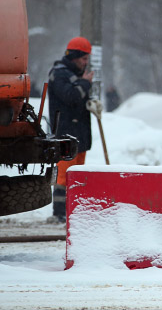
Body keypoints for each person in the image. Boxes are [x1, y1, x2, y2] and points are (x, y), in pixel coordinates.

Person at [48, 37, 95, 222]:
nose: (86, 63)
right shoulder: (59, 74)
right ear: (74, 57)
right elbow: (71, 97)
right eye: (83, 59)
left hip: (80, 134)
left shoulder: (75, 75)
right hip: (66, 134)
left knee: (76, 175)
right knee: (64, 176)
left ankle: (72, 211)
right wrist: (85, 84)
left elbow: (79, 99)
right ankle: (59, 213)